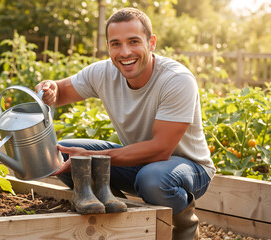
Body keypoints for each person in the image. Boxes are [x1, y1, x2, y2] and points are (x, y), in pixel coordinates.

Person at [35, 7, 215, 240]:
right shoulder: (103, 72)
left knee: (153, 179)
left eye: (133, 41)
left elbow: (160, 149)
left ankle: (186, 227)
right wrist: (49, 89)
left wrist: (94, 158)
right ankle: (118, 215)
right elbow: (61, 92)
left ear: (151, 43)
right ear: (108, 46)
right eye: (116, 44)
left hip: (186, 168)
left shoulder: (176, 80)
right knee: (67, 155)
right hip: (139, 162)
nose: (125, 52)